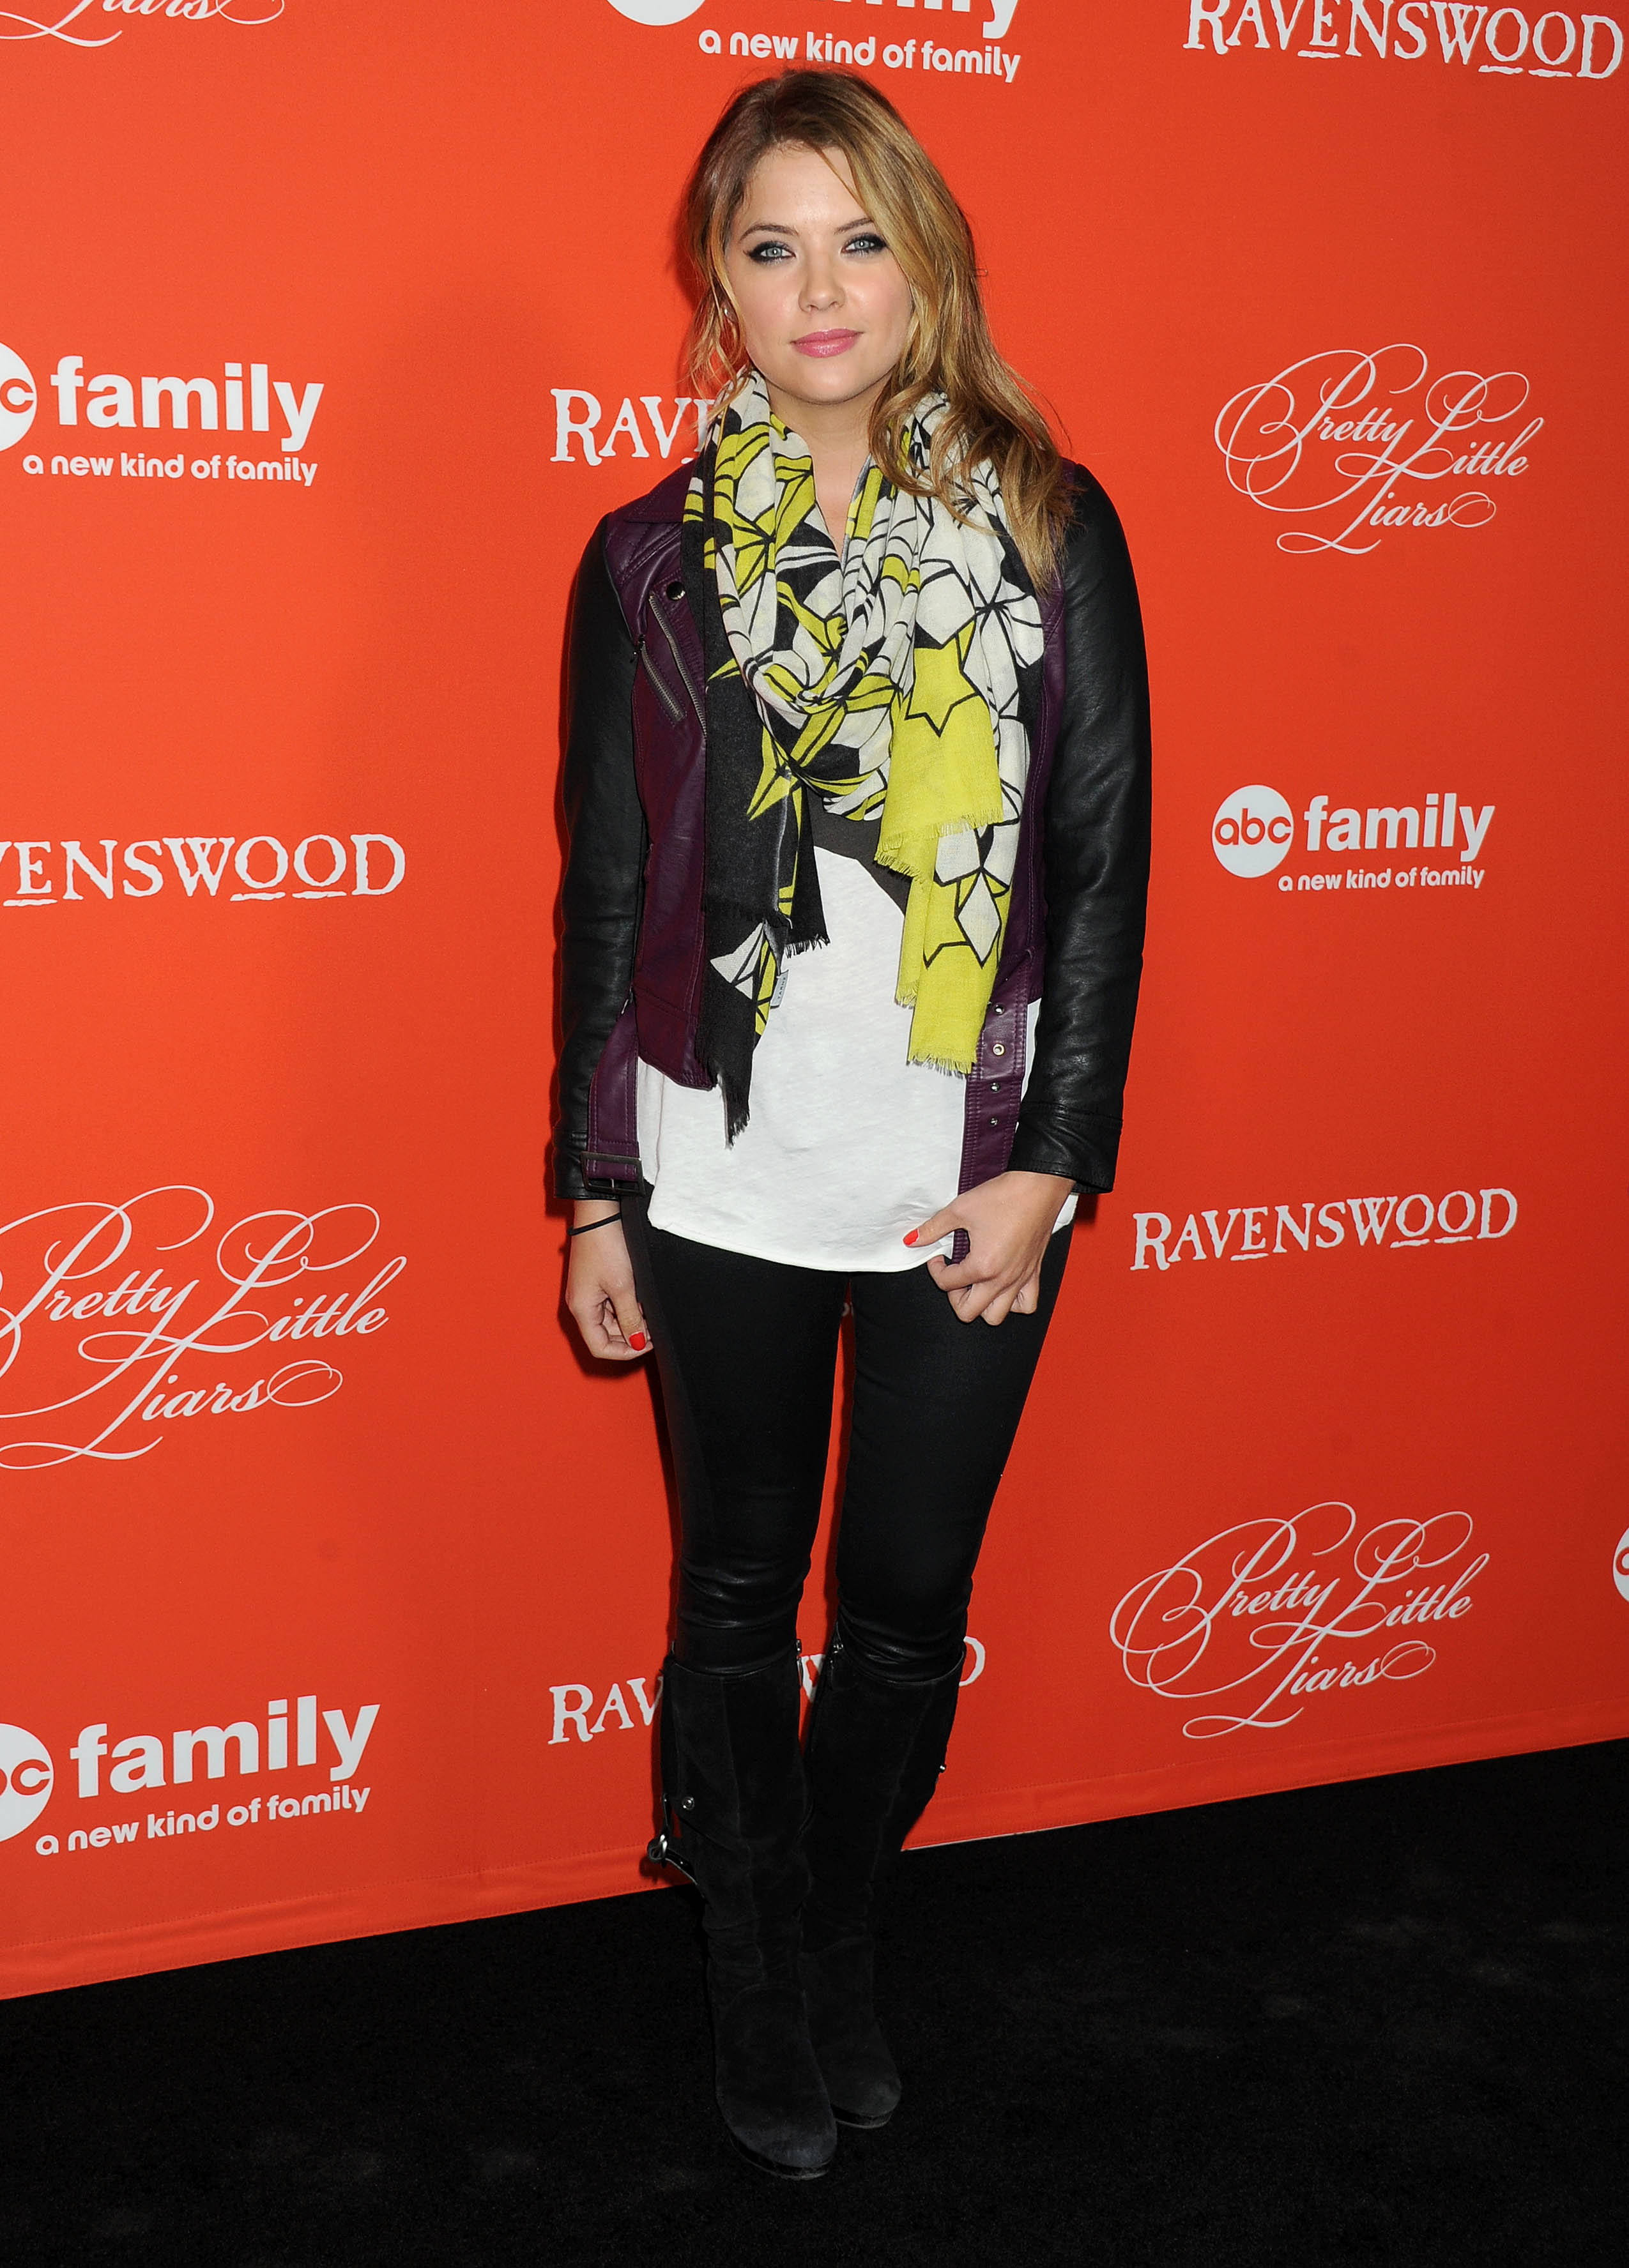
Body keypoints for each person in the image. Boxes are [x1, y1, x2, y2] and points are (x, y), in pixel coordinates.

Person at [554, 70, 1150, 2179]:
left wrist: (1053, 1160)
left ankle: (833, 1932)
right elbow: (611, 888)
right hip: (715, 1160)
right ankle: (756, 1972)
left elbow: (1098, 867)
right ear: (719, 286)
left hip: (956, 1167)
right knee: (735, 1590)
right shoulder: (650, 558)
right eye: (772, 246)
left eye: (860, 238)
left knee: (903, 1605)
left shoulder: (1050, 527)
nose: (821, 289)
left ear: (927, 263)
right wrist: (597, 1188)